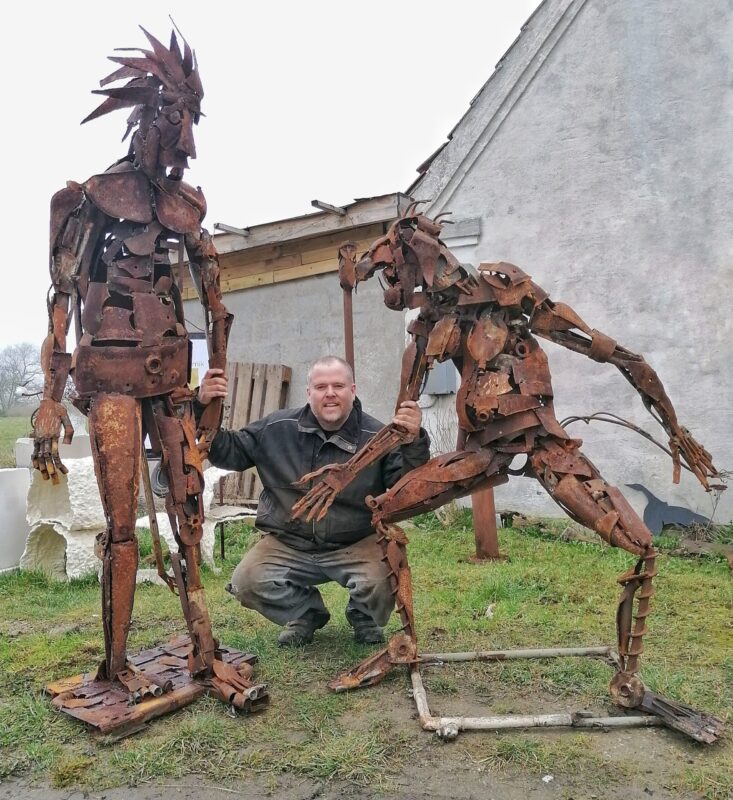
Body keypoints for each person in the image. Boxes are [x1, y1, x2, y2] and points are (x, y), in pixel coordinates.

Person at [196, 355, 431, 646]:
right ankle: (305, 613)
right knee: (247, 581)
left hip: (356, 541)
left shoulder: (377, 437)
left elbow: (407, 487)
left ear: (353, 390)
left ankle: (364, 615)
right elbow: (228, 451)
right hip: (289, 541)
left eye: (338, 386)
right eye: (321, 387)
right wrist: (202, 406)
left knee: (384, 576)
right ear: (309, 393)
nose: (330, 393)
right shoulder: (277, 428)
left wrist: (414, 441)